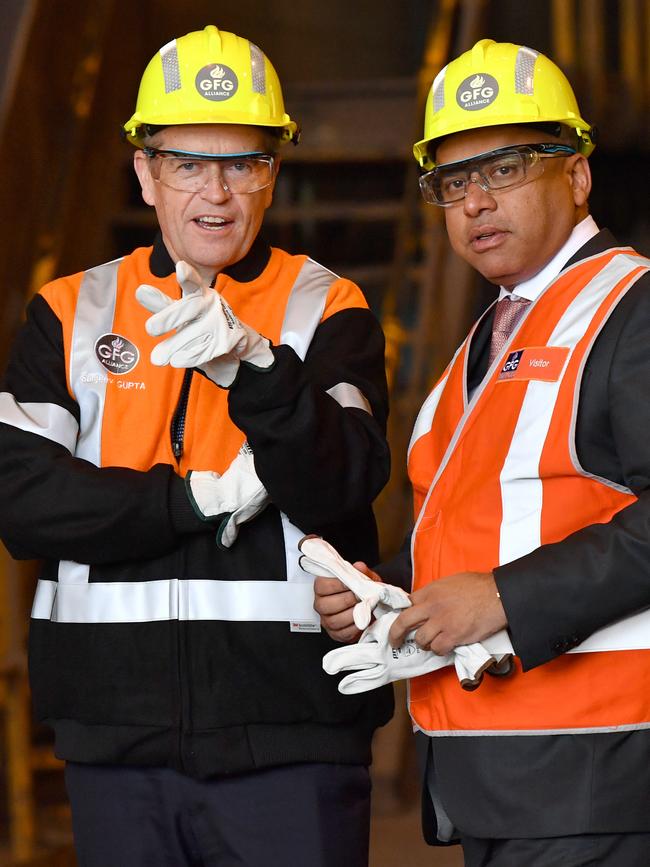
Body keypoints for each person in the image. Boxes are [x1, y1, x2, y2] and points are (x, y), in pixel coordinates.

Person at [0, 25, 393, 867]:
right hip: (114, 742)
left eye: (242, 163)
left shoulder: (328, 305)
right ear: (144, 172)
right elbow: (23, 503)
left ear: (272, 172)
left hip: (292, 741)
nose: (215, 191)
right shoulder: (70, 311)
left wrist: (257, 367)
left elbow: (341, 478)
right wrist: (193, 502)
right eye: (186, 162)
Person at [315, 38, 650, 866]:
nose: (474, 202)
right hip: (505, 776)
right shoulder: (492, 336)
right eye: (454, 181)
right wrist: (392, 590)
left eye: (504, 169)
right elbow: (489, 524)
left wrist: (500, 597)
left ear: (576, 175)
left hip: (596, 770)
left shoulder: (631, 310)